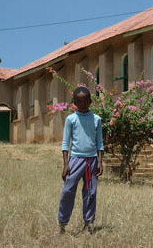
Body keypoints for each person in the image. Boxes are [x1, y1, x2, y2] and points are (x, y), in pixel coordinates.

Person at [58, 86, 104, 234]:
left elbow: (99, 143)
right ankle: (62, 224)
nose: (82, 104)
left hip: (91, 161)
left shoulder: (97, 119)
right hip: (75, 160)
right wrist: (66, 164)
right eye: (79, 102)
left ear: (90, 101)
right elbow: (66, 143)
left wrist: (100, 162)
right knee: (68, 190)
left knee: (90, 192)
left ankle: (88, 224)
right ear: (75, 103)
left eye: (85, 101)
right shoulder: (71, 119)